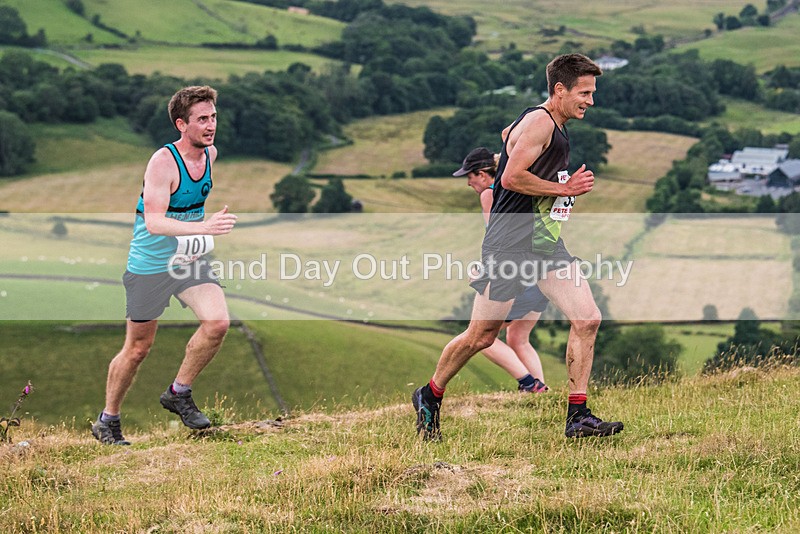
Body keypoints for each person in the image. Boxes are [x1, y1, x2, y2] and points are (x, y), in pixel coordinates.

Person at [413, 54, 623, 440]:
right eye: (585, 93)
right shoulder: (541, 121)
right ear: (559, 90)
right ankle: (429, 394)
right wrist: (563, 189)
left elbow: (509, 134)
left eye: (592, 93)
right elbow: (509, 178)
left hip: (543, 242)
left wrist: (513, 146)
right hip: (509, 245)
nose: (591, 101)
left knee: (588, 318)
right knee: (481, 336)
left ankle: (578, 415)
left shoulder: (545, 121)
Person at [92, 85, 238, 445]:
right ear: (181, 124)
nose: (210, 125)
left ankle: (178, 392)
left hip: (188, 261)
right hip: (149, 266)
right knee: (138, 348)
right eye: (202, 119)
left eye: (213, 117)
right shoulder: (162, 162)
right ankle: (107, 421)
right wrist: (203, 227)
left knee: (218, 323)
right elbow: (155, 222)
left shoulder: (210, 155)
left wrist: (199, 236)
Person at [453, 147, 549, 394]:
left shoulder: (489, 194)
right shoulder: (519, 189)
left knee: (481, 337)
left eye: (469, 176)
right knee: (518, 338)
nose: (468, 183)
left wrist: (483, 272)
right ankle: (542, 392)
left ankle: (529, 384)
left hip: (514, 275)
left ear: (483, 174)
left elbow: (498, 240)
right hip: (540, 273)